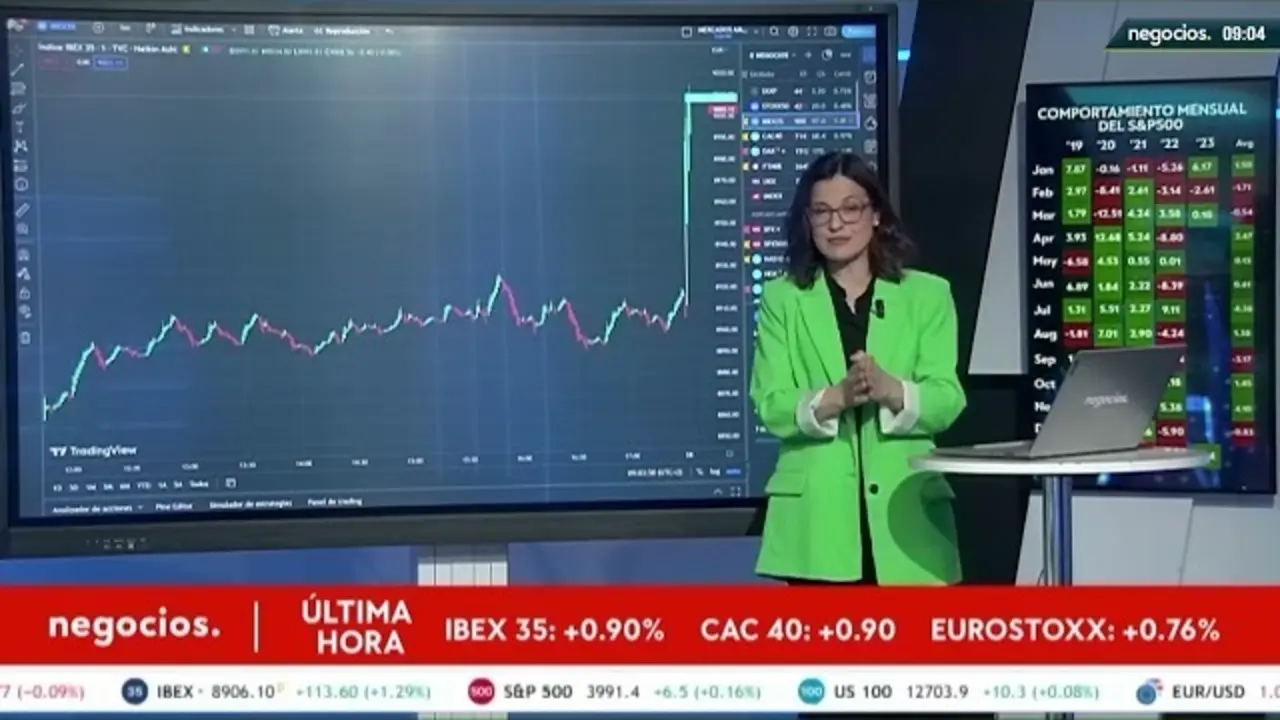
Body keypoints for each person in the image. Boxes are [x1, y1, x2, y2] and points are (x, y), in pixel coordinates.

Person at [751, 152, 979, 718]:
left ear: (876, 214)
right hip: (818, 535)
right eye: (821, 211)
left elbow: (947, 399)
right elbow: (770, 404)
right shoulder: (783, 299)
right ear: (806, 221)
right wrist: (835, 398)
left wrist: (891, 390)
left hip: (907, 529)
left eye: (850, 208)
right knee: (831, 703)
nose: (836, 223)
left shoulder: (927, 295)